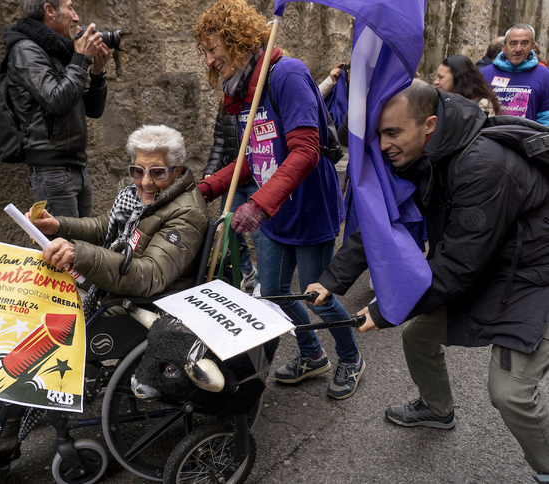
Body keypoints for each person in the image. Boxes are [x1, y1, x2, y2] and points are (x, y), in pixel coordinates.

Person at [307, 80, 549, 477]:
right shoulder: (419, 155)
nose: (383, 145)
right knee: (417, 336)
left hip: (534, 276)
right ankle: (438, 410)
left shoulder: (483, 164)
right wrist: (332, 279)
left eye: (392, 133)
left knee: (512, 394)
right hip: (489, 264)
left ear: (430, 125)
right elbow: (381, 223)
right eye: (379, 133)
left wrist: (388, 307)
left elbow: (458, 265)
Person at [0, 125, 209, 467]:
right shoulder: (144, 198)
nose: (144, 181)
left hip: (136, 305)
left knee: (36, 320)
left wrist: (79, 253)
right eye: (138, 170)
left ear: (178, 170)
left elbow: (150, 276)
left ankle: (0, 430)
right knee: (19, 297)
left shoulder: (186, 213)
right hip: (114, 288)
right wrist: (60, 227)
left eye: (156, 172)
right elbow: (106, 229)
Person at [194, 0, 365, 400]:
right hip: (274, 210)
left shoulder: (287, 74)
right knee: (272, 295)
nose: (209, 59)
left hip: (307, 207)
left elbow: (306, 150)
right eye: (204, 51)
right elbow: (254, 159)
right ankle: (312, 354)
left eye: (213, 48)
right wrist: (203, 189)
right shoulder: (241, 92)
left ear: (236, 42)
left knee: (314, 294)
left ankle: (351, 356)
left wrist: (256, 204)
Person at [2, 0, 110, 217]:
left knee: (83, 247)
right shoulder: (26, 51)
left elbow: (92, 109)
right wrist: (80, 59)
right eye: (70, 7)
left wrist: (97, 73)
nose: (77, 17)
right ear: (50, 11)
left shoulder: (58, 51)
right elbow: (56, 101)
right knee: (64, 247)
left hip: (76, 166)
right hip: (52, 173)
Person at [203, 104, 260, 295]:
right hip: (233, 179)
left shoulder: (259, 103)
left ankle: (263, 283)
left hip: (255, 178)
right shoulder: (226, 105)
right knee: (227, 227)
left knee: (259, 234)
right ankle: (248, 273)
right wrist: (211, 172)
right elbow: (219, 144)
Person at [480, 24, 549, 126]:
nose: (518, 49)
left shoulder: (544, 75)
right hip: (489, 139)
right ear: (503, 47)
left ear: (532, 46)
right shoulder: (485, 74)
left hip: (526, 140)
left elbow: (546, 118)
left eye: (524, 43)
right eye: (513, 43)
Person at [434, 55, 501, 116]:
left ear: (457, 78)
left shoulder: (482, 105)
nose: (436, 82)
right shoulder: (441, 102)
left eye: (441, 77)